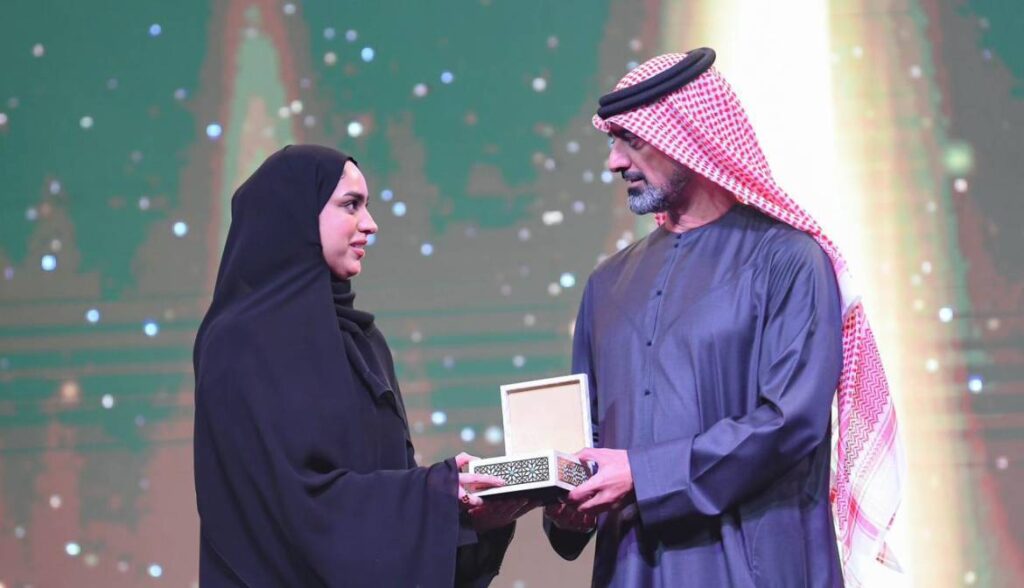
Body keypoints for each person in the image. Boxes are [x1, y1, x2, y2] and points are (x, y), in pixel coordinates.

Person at [543, 49, 904, 587]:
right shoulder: (607, 284)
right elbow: (588, 437)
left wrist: (642, 474)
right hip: (632, 569)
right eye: (613, 143)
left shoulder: (788, 260)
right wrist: (567, 506)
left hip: (754, 566)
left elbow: (789, 423)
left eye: (631, 140)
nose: (615, 162)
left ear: (688, 135)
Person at [193, 145, 535, 587]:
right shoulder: (240, 343)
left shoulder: (363, 342)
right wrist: (437, 494)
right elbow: (288, 507)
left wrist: (469, 516)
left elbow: (388, 494)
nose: (370, 225)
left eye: (366, 206)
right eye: (350, 205)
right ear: (296, 214)